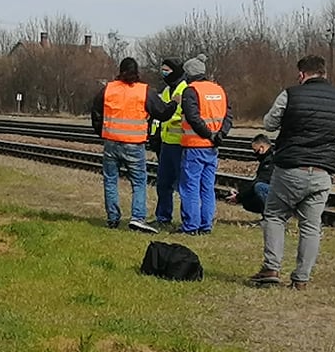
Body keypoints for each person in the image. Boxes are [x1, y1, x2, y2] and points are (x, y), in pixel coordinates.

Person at [248, 55, 335, 290]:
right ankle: (301, 279)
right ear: (324, 73)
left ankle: (271, 268)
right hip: (323, 171)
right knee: (311, 226)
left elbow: (269, 124)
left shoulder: (290, 94)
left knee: (275, 215)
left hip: (290, 168)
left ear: (302, 74)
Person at [91, 57, 180, 233]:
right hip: (134, 144)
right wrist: (174, 103)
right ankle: (137, 218)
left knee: (110, 180)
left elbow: (95, 112)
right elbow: (162, 113)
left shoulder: (108, 89)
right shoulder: (144, 91)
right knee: (139, 181)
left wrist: (102, 132)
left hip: (111, 142)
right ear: (137, 71)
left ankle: (112, 218)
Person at [178, 53, 233, 235]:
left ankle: (190, 226)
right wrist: (219, 136)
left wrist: (208, 135)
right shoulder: (219, 90)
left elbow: (193, 117)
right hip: (213, 148)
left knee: (190, 187)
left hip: (195, 145)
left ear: (189, 74)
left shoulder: (190, 91)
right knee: (207, 187)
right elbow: (228, 116)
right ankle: (206, 225)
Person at [148, 57, 188, 228]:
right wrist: (154, 136)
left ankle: (187, 220)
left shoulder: (186, 90)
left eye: (167, 70)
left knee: (184, 185)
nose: (163, 73)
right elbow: (159, 115)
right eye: (162, 70)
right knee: (163, 184)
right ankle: (163, 218)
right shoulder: (166, 91)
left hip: (181, 145)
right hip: (166, 144)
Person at [224, 134, 274, 214]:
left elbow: (260, 181)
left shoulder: (270, 162)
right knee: (248, 197)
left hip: (281, 193)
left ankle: (271, 216)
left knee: (259, 187)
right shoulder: (269, 158)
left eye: (255, 150)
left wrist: (239, 197)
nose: (255, 153)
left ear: (262, 148)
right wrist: (240, 193)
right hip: (279, 191)